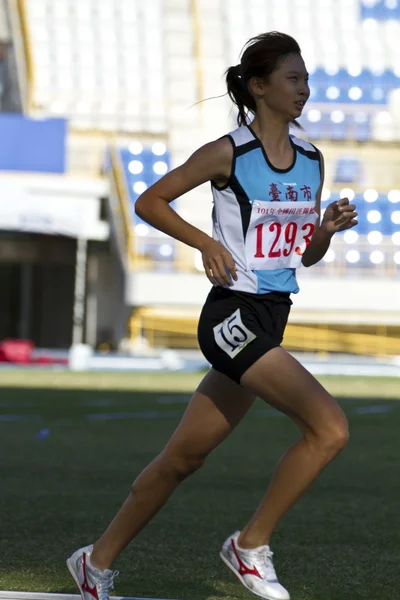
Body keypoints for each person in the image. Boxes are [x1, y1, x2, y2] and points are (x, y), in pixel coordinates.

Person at [67, 31, 358, 600]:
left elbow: (303, 254)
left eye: (305, 78)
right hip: (231, 318)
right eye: (293, 78)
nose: (304, 88)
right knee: (330, 429)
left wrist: (322, 231)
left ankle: (93, 563)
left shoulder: (313, 160)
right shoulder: (229, 152)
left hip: (273, 316)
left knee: (183, 458)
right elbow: (149, 200)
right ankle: (250, 546)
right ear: (259, 86)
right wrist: (204, 243)